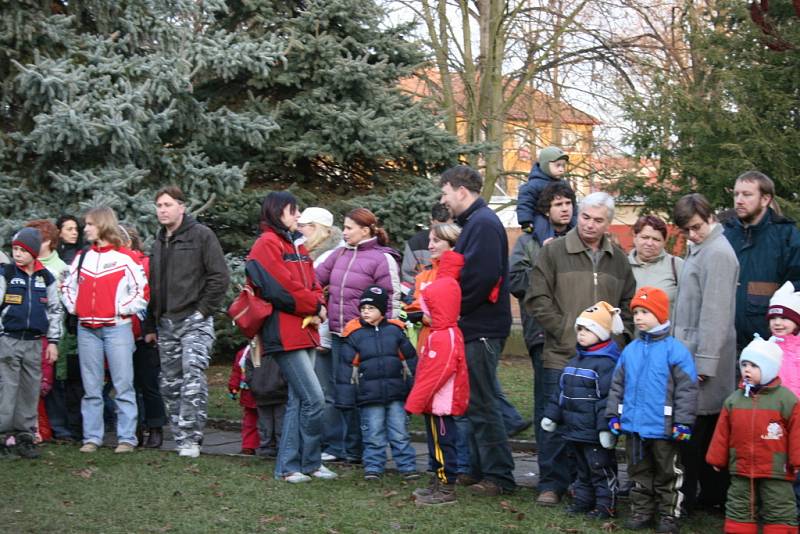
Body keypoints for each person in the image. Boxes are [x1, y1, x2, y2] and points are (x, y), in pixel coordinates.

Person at [527, 191, 636, 506]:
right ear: (578, 215)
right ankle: (551, 483)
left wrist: (620, 339)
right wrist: (564, 331)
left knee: (590, 423)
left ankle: (585, 483)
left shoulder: (618, 260)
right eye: (585, 217)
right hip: (561, 354)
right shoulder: (554, 252)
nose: (590, 224)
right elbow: (537, 297)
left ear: (608, 224)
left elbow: (628, 305)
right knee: (553, 419)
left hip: (602, 362)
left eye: (598, 220)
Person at [246, 191, 335, 483]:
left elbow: (311, 282)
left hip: (304, 329)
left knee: (300, 400)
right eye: (293, 210)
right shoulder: (266, 245)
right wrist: (314, 305)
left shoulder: (295, 244)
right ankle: (288, 465)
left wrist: (317, 303)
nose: (298, 216)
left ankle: (306, 464)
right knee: (313, 398)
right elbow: (279, 289)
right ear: (276, 211)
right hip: (284, 332)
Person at [438, 165, 516, 496]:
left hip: (481, 327)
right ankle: (478, 468)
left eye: (444, 193)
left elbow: (481, 278)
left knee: (484, 402)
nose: (442, 200)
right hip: (474, 325)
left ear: (461, 191)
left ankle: (500, 476)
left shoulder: (483, 224)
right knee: (473, 401)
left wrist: (454, 307)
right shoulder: (475, 224)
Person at [143, 186, 229, 458]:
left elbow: (219, 277)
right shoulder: (158, 242)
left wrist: (202, 311)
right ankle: (181, 437)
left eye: (168, 205)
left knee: (192, 374)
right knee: (170, 383)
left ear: (182, 207)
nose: (163, 210)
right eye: (159, 205)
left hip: (194, 320)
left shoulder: (202, 236)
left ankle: (191, 438)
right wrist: (150, 324)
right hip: (165, 322)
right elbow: (153, 286)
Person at [606, 286, 699, 533]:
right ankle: (642, 511)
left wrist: (683, 422)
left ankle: (669, 514)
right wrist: (614, 414)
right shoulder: (630, 350)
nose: (638, 317)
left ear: (660, 315)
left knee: (668, 473)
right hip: (634, 428)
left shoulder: (675, 350)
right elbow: (617, 385)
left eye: (645, 312)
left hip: (664, 428)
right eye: (636, 312)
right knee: (639, 472)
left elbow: (687, 390)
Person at [315, 207, 401, 463]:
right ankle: (348, 449)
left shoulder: (380, 258)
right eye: (345, 227)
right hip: (340, 335)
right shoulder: (339, 254)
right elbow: (315, 279)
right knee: (344, 393)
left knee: (367, 394)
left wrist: (388, 333)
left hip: (367, 338)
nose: (345, 232)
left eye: (350, 228)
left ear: (365, 230)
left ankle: (369, 450)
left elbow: (392, 299)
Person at [671, 193, 739, 513]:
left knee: (698, 436)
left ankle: (695, 498)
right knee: (700, 434)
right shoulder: (702, 248)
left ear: (709, 216)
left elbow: (715, 314)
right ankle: (704, 497)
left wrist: (705, 363)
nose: (693, 234)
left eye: (696, 227)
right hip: (690, 354)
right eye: (687, 230)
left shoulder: (718, 254)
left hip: (703, 360)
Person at [61, 207, 147, 453]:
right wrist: (74, 307)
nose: (84, 228)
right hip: (86, 329)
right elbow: (68, 286)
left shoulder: (126, 257)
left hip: (117, 329)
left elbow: (142, 292)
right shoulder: (82, 257)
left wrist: (121, 309)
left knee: (123, 385)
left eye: (89, 224)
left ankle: (127, 438)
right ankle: (92, 438)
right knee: (91, 388)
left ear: (103, 225)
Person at [706, 335, 800, 533]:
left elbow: (797, 433)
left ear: (770, 369)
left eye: (754, 366)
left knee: (779, 506)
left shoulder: (787, 400)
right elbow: (723, 432)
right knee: (739, 505)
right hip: (741, 466)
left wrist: (797, 460)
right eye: (744, 364)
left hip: (776, 469)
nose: (747, 370)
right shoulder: (734, 400)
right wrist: (717, 458)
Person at [541, 301, 622, 519]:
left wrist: (606, 429)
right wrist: (552, 415)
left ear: (602, 333)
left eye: (588, 329)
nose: (582, 334)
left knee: (600, 469)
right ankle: (583, 501)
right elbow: (560, 393)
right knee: (581, 470)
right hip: (574, 430)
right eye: (580, 329)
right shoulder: (574, 361)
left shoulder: (606, 365)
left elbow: (608, 399)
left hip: (595, 434)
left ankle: (606, 504)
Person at [509, 181, 576, 449]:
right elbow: (515, 282)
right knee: (547, 403)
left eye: (568, 203)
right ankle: (549, 475)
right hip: (541, 332)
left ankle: (576, 472)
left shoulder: (581, 239)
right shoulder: (528, 242)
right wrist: (544, 260)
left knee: (576, 402)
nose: (564, 209)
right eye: (558, 204)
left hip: (577, 332)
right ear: (547, 211)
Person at [406, 250, 470, 505]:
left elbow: (437, 373)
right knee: (435, 443)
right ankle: (436, 479)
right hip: (434, 402)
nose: (426, 313)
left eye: (428, 307)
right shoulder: (440, 332)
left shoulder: (445, 336)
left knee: (444, 444)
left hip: (440, 403)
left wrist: (415, 400)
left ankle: (446, 487)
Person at [340, 285, 418, 481]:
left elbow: (410, 363)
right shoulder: (354, 335)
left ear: (382, 310)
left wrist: (414, 391)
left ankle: (407, 466)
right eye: (363, 308)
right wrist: (345, 399)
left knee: (400, 432)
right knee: (373, 434)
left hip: (396, 394)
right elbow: (346, 371)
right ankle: (374, 467)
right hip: (369, 396)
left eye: (371, 308)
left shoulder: (395, 332)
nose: (366, 311)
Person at [0, 228, 62, 459]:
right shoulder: (6, 274)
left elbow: (55, 310)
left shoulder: (45, 277)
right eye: (14, 249)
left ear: (33, 253)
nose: (17, 254)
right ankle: (4, 437)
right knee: (7, 389)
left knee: (29, 390)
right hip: (9, 339)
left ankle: (25, 436)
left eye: (22, 250)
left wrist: (53, 342)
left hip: (35, 342)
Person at [723, 171, 800, 351]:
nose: (739, 200)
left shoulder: (786, 236)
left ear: (765, 199)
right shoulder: (725, 234)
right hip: (726, 344)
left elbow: (797, 284)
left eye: (747, 194)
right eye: (736, 194)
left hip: (770, 346)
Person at [297, 206, 345, 462]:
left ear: (318, 228)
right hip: (311, 330)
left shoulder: (331, 255)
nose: (300, 229)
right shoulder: (305, 251)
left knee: (328, 391)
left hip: (325, 331)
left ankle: (334, 444)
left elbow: (325, 297)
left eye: (304, 225)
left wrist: (323, 335)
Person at [122, 225, 166, 449]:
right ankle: (135, 428)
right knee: (128, 384)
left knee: (149, 383)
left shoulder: (145, 264)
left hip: (143, 333)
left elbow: (153, 298)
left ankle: (156, 427)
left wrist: (151, 329)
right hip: (120, 333)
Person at [767, 281, 800, 517]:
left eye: (785, 318)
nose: (778, 323)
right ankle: (775, 509)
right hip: (773, 419)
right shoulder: (765, 349)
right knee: (776, 464)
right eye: (773, 318)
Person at [628, 215, 684, 319]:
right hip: (630, 334)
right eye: (645, 237)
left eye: (656, 239)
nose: (649, 243)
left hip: (666, 334)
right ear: (635, 237)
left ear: (664, 242)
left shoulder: (677, 266)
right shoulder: (623, 266)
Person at [516, 146, 576, 238]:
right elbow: (525, 203)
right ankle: (547, 247)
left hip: (563, 219)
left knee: (576, 226)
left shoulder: (564, 184)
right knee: (542, 228)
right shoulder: (533, 185)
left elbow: (574, 205)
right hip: (540, 216)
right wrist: (526, 221)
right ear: (545, 165)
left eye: (563, 166)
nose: (561, 169)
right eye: (557, 165)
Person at [400, 202, 451, 290]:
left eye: (446, 227)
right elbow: (408, 275)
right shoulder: (416, 243)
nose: (441, 233)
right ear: (431, 220)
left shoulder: (461, 240)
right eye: (437, 226)